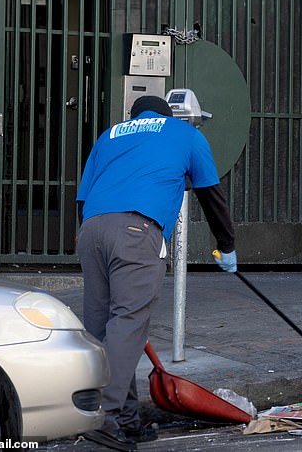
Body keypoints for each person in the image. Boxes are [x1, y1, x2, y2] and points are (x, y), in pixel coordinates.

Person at [76, 95, 237, 451]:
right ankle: (105, 417)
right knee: (127, 325)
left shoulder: (111, 134)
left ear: (134, 116)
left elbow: (83, 198)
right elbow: (211, 194)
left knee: (106, 329)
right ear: (168, 115)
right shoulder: (185, 133)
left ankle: (128, 421)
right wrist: (226, 246)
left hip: (91, 232)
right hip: (137, 231)